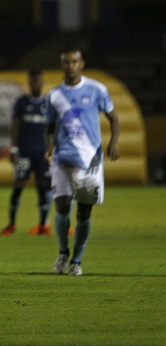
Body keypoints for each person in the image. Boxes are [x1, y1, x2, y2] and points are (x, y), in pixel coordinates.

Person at [46, 47, 120, 276]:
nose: (70, 66)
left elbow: (114, 118)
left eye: (74, 61)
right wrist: (49, 148)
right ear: (62, 65)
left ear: (82, 64)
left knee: (84, 213)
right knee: (61, 206)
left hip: (90, 160)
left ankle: (76, 261)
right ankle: (62, 252)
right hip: (62, 159)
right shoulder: (54, 95)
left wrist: (114, 142)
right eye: (66, 62)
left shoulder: (97, 89)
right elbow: (49, 128)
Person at [0, 69, 51, 236]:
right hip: (24, 152)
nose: (36, 83)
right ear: (29, 83)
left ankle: (43, 225)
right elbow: (15, 126)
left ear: (42, 82)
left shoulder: (48, 103)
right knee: (18, 186)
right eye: (33, 81)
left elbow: (52, 129)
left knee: (43, 187)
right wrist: (14, 148)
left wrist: (52, 149)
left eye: (39, 80)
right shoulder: (22, 103)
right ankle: (11, 224)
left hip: (42, 153)